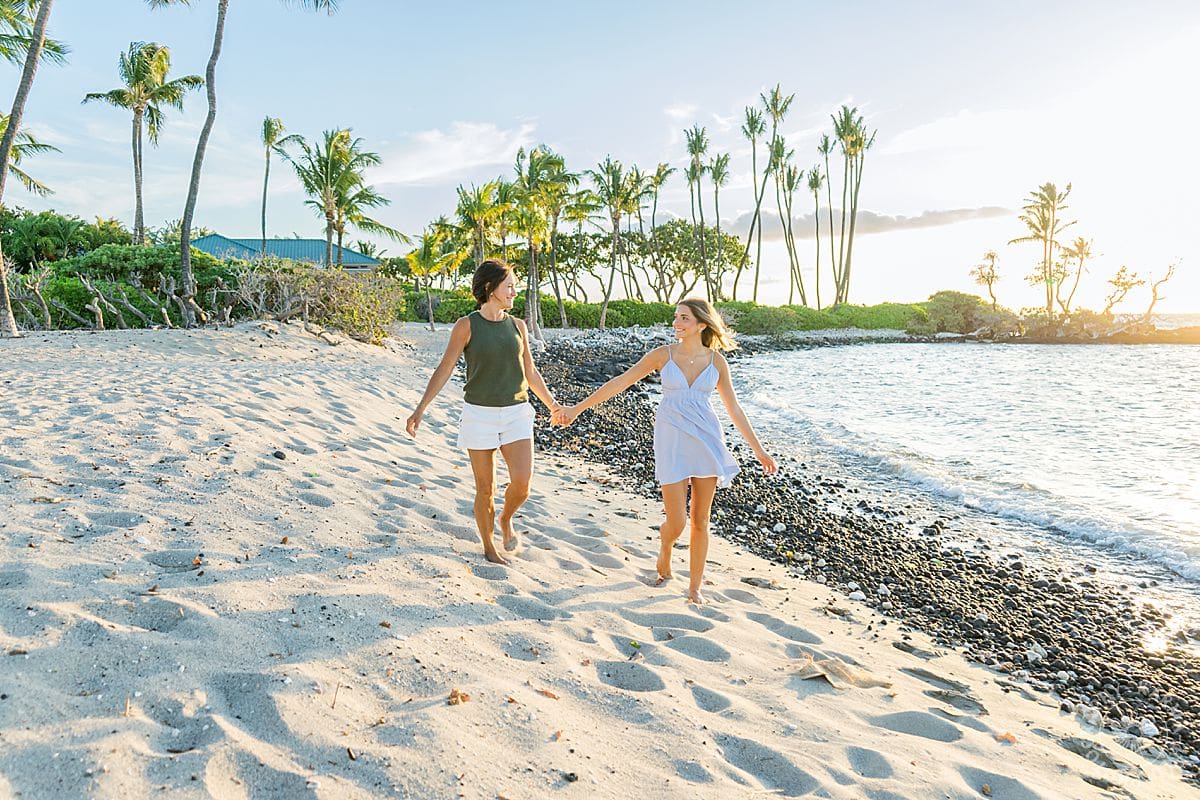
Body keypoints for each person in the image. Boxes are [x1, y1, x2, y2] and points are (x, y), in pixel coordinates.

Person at [553, 298, 777, 603]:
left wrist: (759, 450)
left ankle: (694, 588)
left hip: (706, 440)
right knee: (677, 522)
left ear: (701, 324)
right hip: (670, 440)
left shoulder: (717, 362)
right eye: (676, 317)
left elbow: (734, 408)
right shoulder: (662, 356)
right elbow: (621, 381)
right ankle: (666, 548)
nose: (676, 323)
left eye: (683, 318)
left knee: (700, 520)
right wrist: (578, 408)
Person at [406, 259, 561, 565]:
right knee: (485, 489)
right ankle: (489, 547)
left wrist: (553, 405)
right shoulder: (466, 326)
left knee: (522, 484)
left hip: (517, 411)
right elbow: (445, 368)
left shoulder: (518, 326)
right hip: (479, 414)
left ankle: (506, 518)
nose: (515, 292)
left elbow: (529, 371)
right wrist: (420, 408)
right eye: (510, 286)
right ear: (490, 289)